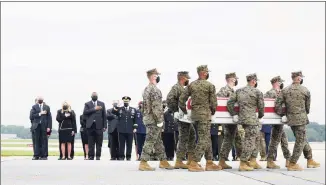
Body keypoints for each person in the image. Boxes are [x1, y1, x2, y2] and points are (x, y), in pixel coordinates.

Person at [179, 65, 222, 172]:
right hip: (205, 115)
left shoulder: (191, 85)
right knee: (203, 139)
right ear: (205, 73)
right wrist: (212, 112)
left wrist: (185, 111)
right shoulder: (209, 85)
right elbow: (213, 103)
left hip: (195, 115)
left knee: (206, 137)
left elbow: (181, 100)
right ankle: (194, 162)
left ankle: (209, 162)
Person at [275, 71, 320, 171]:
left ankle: (310, 159)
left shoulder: (285, 90)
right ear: (299, 78)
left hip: (290, 119)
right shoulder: (305, 90)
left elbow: (277, 104)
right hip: (301, 118)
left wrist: (282, 115)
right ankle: (292, 163)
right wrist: (303, 113)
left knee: (302, 138)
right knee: (300, 140)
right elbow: (307, 107)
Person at [227, 73, 264, 171]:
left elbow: (229, 102)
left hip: (242, 118)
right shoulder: (257, 92)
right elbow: (261, 107)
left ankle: (252, 160)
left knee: (255, 139)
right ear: (254, 81)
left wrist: (234, 114)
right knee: (250, 141)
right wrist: (260, 116)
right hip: (252, 119)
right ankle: (243, 163)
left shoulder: (239, 91)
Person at [138, 68, 173, 171]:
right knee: (150, 140)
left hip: (148, 118)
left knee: (158, 141)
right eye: (156, 75)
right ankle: (143, 162)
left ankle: (163, 161)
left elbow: (144, 107)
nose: (157, 77)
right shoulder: (155, 89)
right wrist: (159, 120)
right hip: (154, 119)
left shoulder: (146, 89)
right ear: (153, 76)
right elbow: (156, 106)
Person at [166, 71, 195, 169]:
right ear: (183, 78)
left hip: (186, 117)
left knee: (192, 136)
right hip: (181, 117)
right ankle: (179, 160)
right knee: (183, 138)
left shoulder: (182, 88)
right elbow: (169, 99)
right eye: (187, 78)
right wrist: (175, 110)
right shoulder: (176, 87)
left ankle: (190, 159)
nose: (188, 80)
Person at [265, 76, 291, 168]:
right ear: (277, 83)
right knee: (275, 140)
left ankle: (288, 159)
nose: (281, 84)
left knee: (283, 140)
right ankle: (270, 160)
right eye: (280, 82)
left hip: (280, 120)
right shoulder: (269, 93)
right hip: (276, 120)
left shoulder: (281, 92)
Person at [217, 72, 241, 168]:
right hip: (228, 118)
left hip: (232, 119)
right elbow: (219, 102)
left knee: (235, 138)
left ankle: (242, 158)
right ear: (232, 79)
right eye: (235, 79)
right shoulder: (224, 90)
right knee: (228, 138)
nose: (236, 80)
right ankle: (222, 160)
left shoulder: (232, 90)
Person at [83, 92, 107, 160]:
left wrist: (105, 126)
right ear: (91, 96)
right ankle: (91, 156)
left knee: (99, 142)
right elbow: (85, 112)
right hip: (90, 126)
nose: (94, 96)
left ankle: (98, 156)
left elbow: (104, 116)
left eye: (95, 95)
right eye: (93, 95)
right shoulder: (87, 104)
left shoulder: (102, 104)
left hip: (99, 126)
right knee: (91, 142)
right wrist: (94, 109)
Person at [112, 96, 137, 161]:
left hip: (130, 129)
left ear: (129, 102)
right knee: (121, 144)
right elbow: (114, 112)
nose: (126, 103)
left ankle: (128, 156)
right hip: (121, 130)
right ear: (123, 102)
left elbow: (135, 120)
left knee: (129, 144)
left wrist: (135, 128)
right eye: (125, 102)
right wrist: (115, 106)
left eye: (127, 102)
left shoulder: (133, 109)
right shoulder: (120, 109)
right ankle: (121, 156)